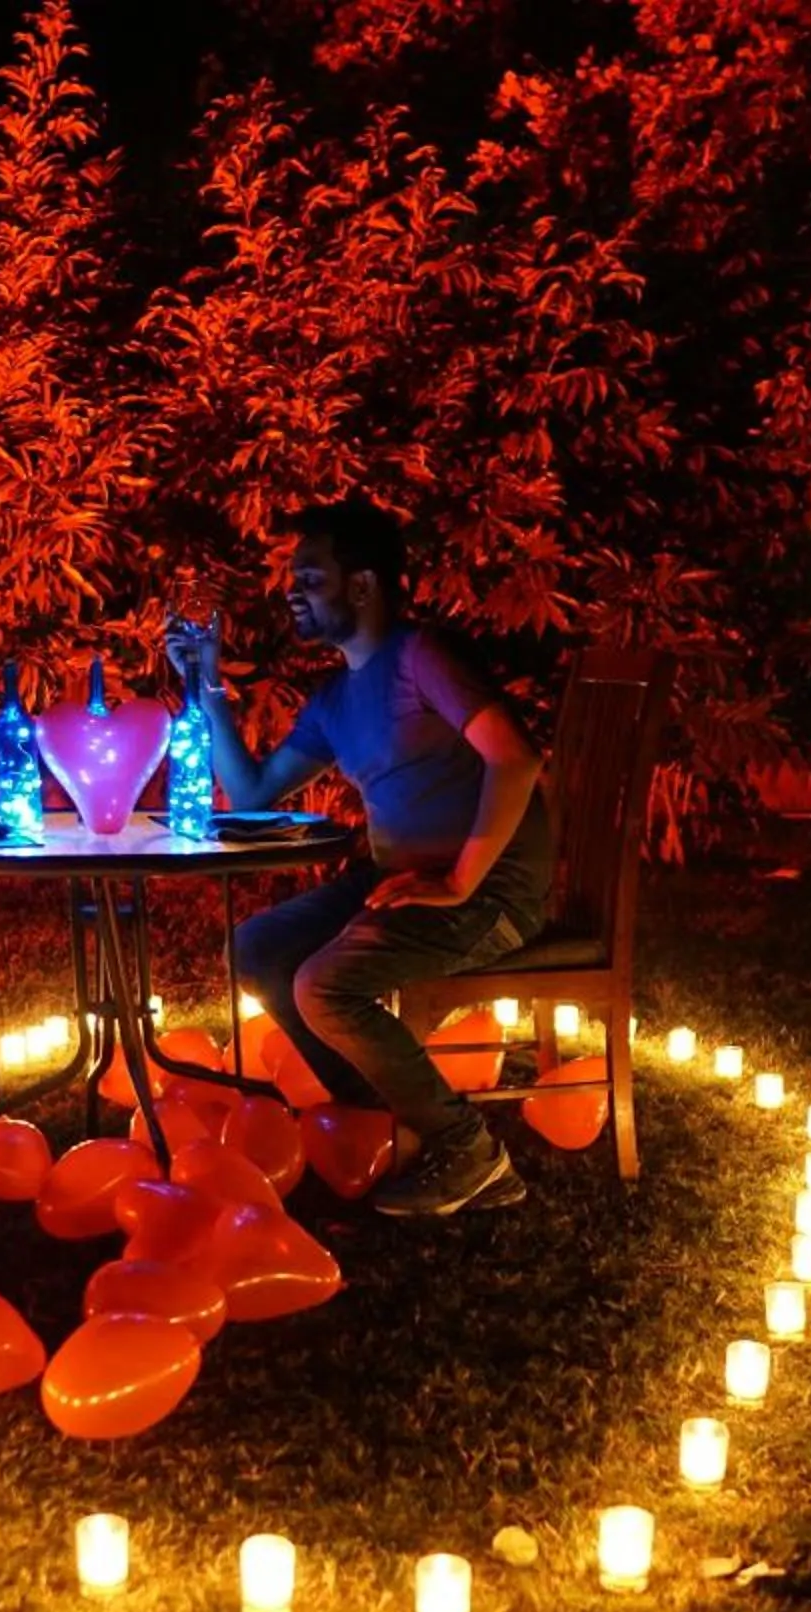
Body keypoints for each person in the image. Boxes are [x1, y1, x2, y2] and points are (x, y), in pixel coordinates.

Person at [167, 499, 549, 1217]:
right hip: (397, 879)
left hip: (489, 890)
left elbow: (517, 758)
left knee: (324, 986)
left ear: (364, 586)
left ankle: (468, 1149)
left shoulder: (421, 658)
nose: (291, 593)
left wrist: (463, 878)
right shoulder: (335, 696)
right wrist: (206, 682)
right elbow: (250, 792)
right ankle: (386, 1112)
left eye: (309, 578)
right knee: (258, 948)